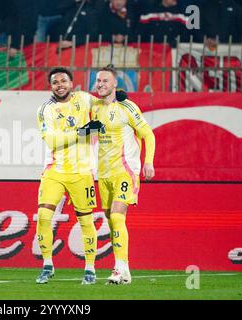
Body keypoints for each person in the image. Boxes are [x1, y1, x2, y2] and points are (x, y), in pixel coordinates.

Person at [36, 67, 103, 285]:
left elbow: (105, 104)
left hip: (82, 171)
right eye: (55, 82)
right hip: (54, 171)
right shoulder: (45, 109)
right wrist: (82, 132)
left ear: (72, 83)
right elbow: (52, 141)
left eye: (64, 81)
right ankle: (47, 265)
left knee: (85, 220)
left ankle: (90, 269)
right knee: (44, 216)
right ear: (51, 86)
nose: (60, 85)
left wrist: (115, 95)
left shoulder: (84, 99)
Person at [92, 65, 155, 284]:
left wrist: (148, 162)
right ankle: (124, 269)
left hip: (125, 171)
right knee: (112, 221)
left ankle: (118, 270)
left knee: (118, 216)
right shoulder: (95, 108)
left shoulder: (128, 107)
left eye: (105, 81)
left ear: (115, 83)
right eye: (98, 81)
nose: (101, 84)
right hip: (104, 174)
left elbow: (149, 134)